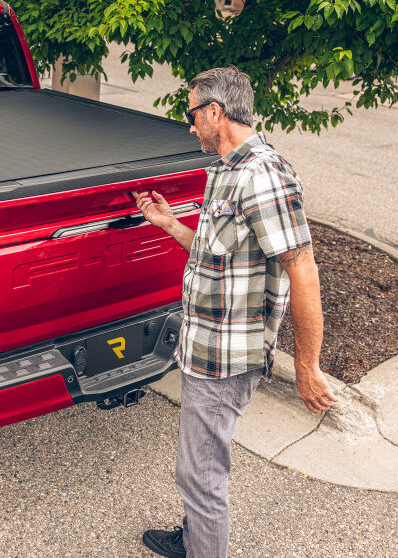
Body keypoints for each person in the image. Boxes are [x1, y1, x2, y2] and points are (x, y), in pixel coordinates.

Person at [134, 66, 338, 558]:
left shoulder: (261, 174)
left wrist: (307, 368)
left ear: (214, 112)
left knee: (201, 475)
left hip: (226, 360)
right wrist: (168, 223)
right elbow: (217, 253)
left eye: (191, 115)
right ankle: (192, 538)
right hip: (205, 347)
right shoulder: (226, 170)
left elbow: (303, 269)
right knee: (200, 462)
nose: (189, 126)